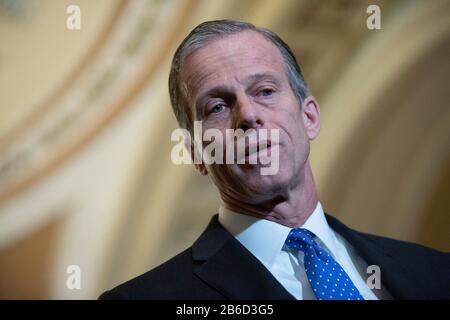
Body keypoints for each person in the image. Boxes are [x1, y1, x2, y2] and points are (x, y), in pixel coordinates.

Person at [99, 20, 450, 300]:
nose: (248, 115)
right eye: (217, 107)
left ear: (309, 117)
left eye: (265, 91)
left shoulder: (435, 271)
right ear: (196, 154)